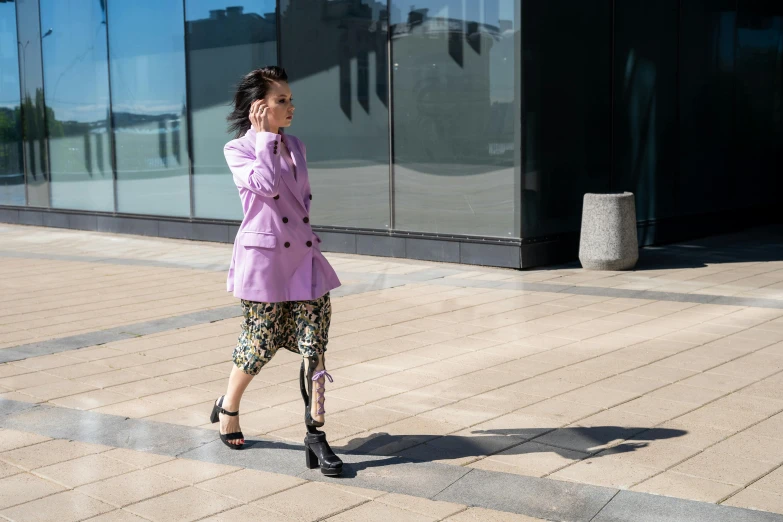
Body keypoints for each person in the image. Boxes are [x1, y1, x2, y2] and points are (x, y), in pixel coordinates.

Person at [209, 66, 343, 476]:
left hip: (303, 258)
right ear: (259, 109)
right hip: (265, 261)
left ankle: (315, 434)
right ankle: (228, 406)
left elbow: (300, 202)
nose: (291, 107)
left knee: (314, 344)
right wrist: (265, 139)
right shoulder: (239, 150)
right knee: (259, 343)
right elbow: (265, 188)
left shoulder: (297, 145)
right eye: (281, 100)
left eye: (290, 99)